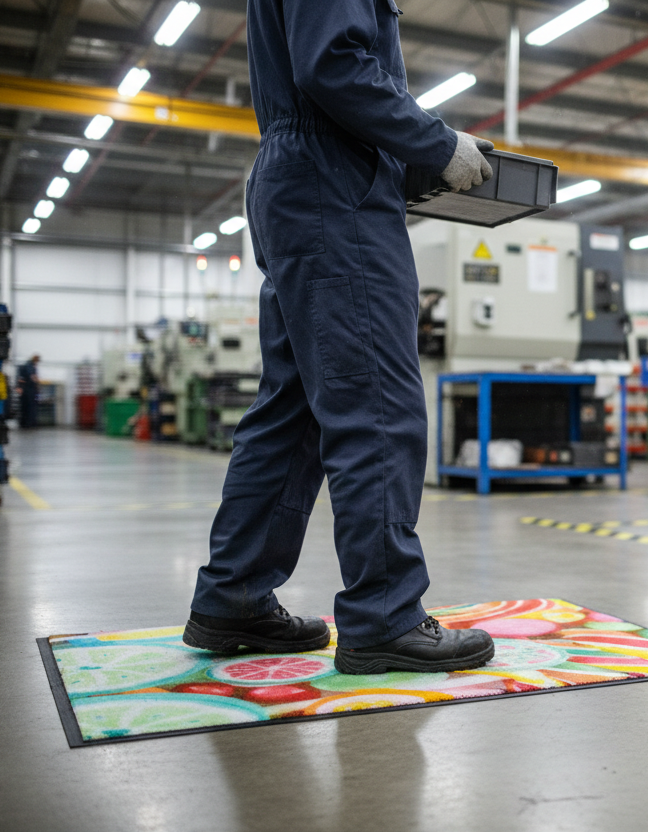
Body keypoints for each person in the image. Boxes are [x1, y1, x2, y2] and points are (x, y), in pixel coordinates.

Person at [183, 0, 496, 674]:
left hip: (307, 180)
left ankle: (233, 595)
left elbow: (322, 75)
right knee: (376, 404)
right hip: (333, 188)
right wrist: (437, 143)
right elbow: (334, 64)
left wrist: (413, 161)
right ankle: (385, 616)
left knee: (292, 410)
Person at [15, 355, 40, 429]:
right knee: (30, 407)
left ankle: (24, 423)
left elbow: (21, 379)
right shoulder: (30, 366)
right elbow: (32, 377)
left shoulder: (24, 366)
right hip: (29, 390)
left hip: (24, 390)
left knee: (24, 407)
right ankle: (29, 423)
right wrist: (37, 383)